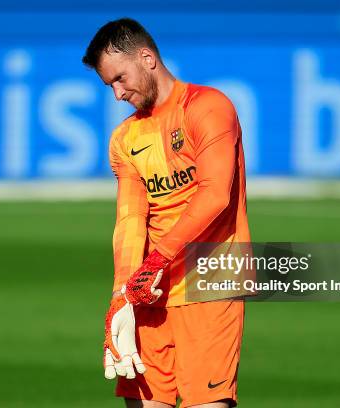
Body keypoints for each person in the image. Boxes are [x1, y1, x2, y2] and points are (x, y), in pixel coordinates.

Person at [82, 18, 250, 408]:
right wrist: (120, 295)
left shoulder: (208, 107)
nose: (118, 94)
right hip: (150, 289)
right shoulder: (125, 138)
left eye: (121, 79)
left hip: (212, 277)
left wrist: (158, 259)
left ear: (147, 57)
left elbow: (214, 196)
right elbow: (130, 220)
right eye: (110, 86)